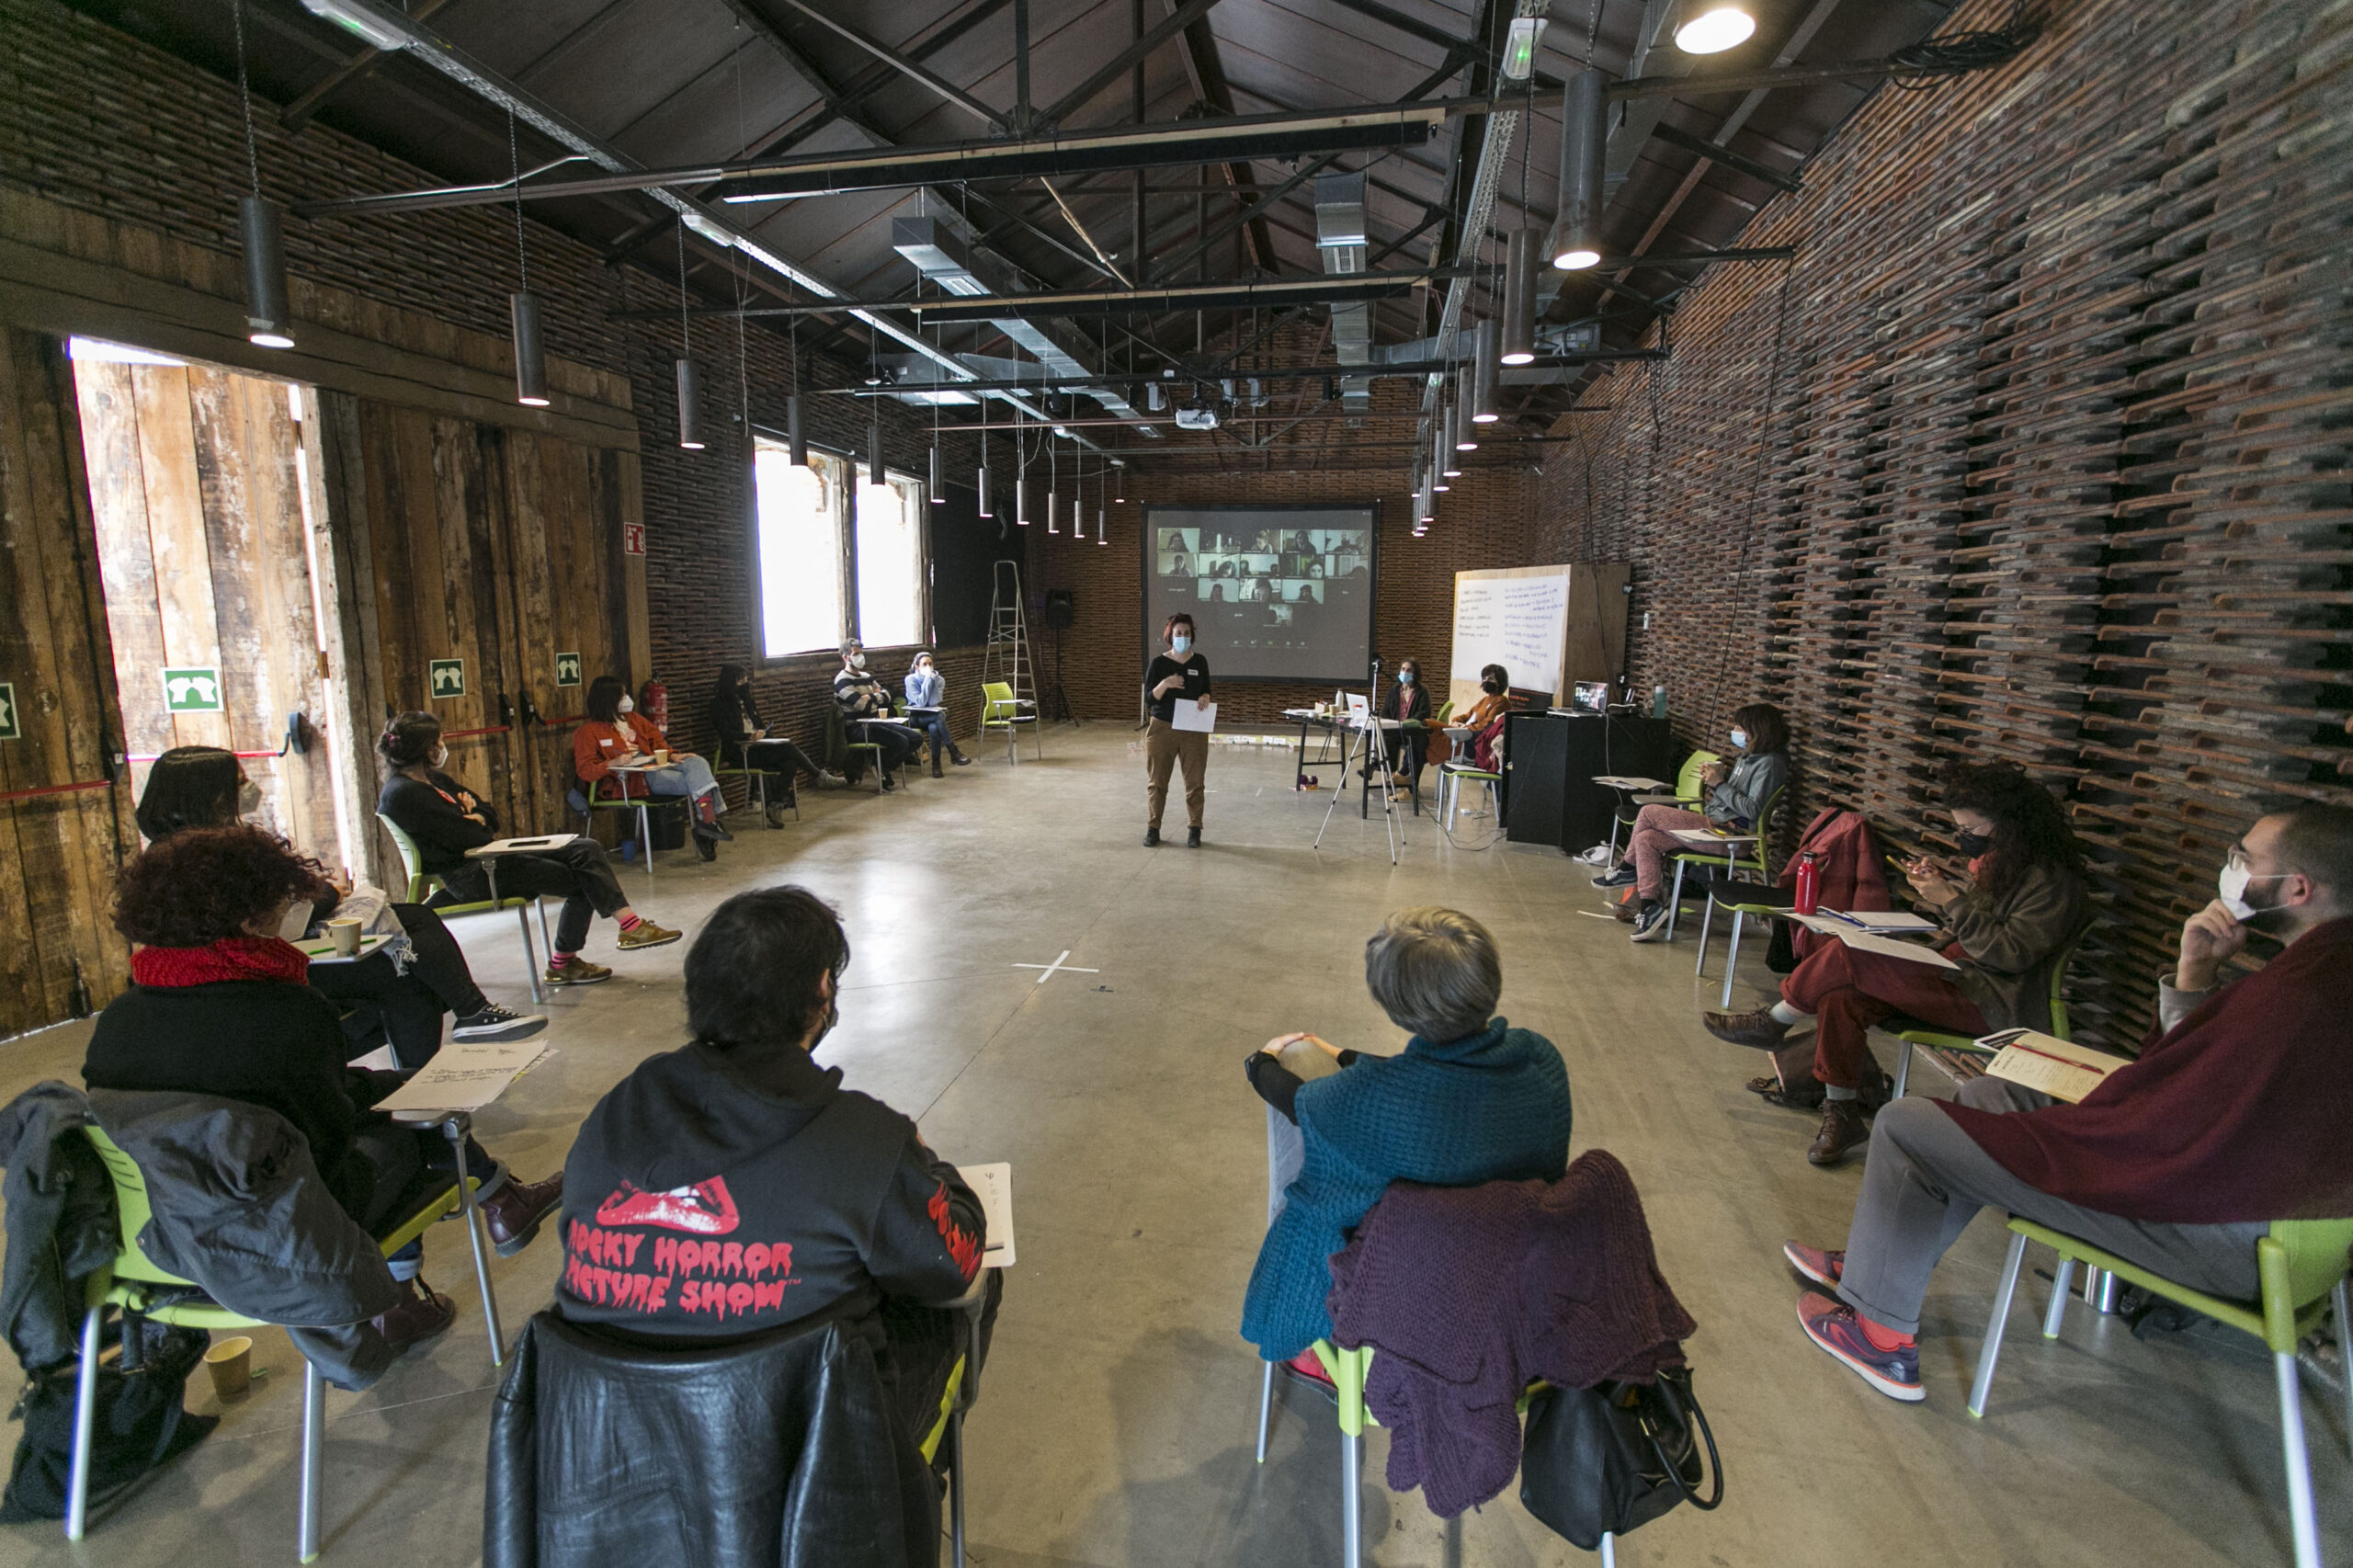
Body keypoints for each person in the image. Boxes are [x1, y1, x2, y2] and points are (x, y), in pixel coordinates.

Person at [1783, 802, 2353, 1404]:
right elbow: (2193, 1085)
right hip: (2272, 1229)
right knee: (1993, 1095)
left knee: (1905, 1124)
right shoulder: (2324, 969)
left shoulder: (2303, 994)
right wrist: (2194, 972)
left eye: (2246, 859)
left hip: (2225, 1237)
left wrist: (2099, 1124)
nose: (2231, 868)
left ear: (2296, 888)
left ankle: (1881, 1338)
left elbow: (2175, 1098)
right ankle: (1878, 1263)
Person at [82, 825, 567, 1351]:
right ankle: (415, 1282)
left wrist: (374, 1088)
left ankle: (495, 1204)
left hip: (165, 1229)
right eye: (279, 903)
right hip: (284, 1224)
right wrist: (387, 1099)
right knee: (422, 1123)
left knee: (397, 1089)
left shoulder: (120, 1018)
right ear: (248, 920)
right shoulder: (289, 1009)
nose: (289, 914)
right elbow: (330, 1139)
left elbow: (251, 1099)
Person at [551, 885, 997, 1449]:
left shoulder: (620, 1107)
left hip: (606, 1447)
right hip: (803, 1463)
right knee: (965, 1295)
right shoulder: (864, 1139)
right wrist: (929, 1164)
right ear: (821, 991)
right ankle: (898, 1509)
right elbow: (956, 1262)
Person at [1240, 908, 1573, 1383]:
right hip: (1519, 1297)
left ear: (1395, 1006)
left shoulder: (1367, 1104)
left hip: (1406, 1305)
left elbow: (1300, 1100)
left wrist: (1262, 1062)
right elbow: (1447, 1068)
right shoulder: (1541, 1061)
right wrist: (1345, 1054)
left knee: (1309, 1193)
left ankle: (1316, 1345)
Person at [1701, 761, 2090, 1166]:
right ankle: (1842, 1112)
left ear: (2010, 826)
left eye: (1970, 832)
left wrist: (1951, 900)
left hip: (1991, 1002)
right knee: (1841, 994)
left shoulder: (2052, 884)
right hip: (1957, 978)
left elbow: (2009, 954)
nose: (1963, 839)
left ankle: (1775, 1021)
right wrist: (1946, 890)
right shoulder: (2008, 866)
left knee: (1851, 952)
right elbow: (1978, 929)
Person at [135, 746, 542, 1063]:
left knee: (415, 937)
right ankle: (429, 1077)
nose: (250, 788)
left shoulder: (160, 855)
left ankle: (445, 1050)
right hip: (248, 973)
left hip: (229, 970)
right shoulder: (219, 853)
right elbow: (290, 909)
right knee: (411, 976)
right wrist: (327, 894)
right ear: (213, 796)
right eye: (239, 782)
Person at [379, 711, 680, 987]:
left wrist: (477, 814)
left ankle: (629, 926)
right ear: (427, 748)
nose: (444, 745)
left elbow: (487, 814)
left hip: (490, 855)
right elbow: (468, 836)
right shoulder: (405, 795)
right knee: (584, 881)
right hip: (472, 875)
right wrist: (473, 819)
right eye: (440, 740)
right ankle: (566, 963)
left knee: (584, 847)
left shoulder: (435, 781)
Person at [1598, 701, 1791, 944]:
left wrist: (1720, 784)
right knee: (1645, 838)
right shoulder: (1748, 759)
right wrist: (1720, 781)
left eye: (1740, 727)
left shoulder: (1771, 764)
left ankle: (1627, 868)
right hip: (1715, 825)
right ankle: (1650, 907)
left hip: (1732, 836)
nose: (1735, 731)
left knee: (1648, 812)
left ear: (1758, 730)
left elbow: (1752, 810)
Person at [576, 676, 732, 859]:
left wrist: (672, 754)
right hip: (636, 779)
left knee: (696, 762)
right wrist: (611, 763)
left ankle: (707, 824)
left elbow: (657, 741)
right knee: (699, 781)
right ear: (609, 699)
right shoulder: (587, 732)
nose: (627, 698)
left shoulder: (634, 719)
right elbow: (585, 770)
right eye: (622, 694)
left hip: (657, 764)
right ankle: (707, 822)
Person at [708, 663, 845, 826]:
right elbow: (725, 733)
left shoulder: (747, 701)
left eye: (746, 680)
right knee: (788, 749)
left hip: (759, 748)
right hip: (740, 752)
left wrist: (764, 734)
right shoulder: (718, 705)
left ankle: (775, 805)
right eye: (741, 681)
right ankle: (818, 776)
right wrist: (748, 736)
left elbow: (758, 723)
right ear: (731, 682)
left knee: (790, 763)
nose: (745, 684)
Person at [1143, 612, 1211, 848]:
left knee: (1195, 782)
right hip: (1163, 727)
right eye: (1178, 633)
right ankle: (1153, 828)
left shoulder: (1199, 661)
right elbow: (1149, 699)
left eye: (1186, 633)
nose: (1182, 637)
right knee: (1157, 782)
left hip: (1193, 728)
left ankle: (1195, 829)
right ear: (1170, 636)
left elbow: (1206, 690)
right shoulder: (1159, 663)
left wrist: (1205, 697)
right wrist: (1166, 683)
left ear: (1192, 635)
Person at [832, 639, 924, 792]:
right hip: (857, 727)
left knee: (916, 738)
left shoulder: (867, 676)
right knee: (901, 742)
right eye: (855, 654)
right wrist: (874, 697)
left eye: (861, 653)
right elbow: (862, 706)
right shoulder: (842, 680)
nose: (860, 657)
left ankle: (883, 766)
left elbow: (887, 696)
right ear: (845, 657)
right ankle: (881, 768)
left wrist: (871, 697)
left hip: (877, 721)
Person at [902, 651, 972, 778]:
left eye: (930, 663)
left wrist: (933, 681)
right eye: (924, 664)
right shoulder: (910, 679)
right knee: (939, 716)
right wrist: (928, 681)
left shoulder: (939, 680)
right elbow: (921, 703)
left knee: (935, 728)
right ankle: (953, 751)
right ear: (917, 667)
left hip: (931, 716)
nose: (928, 667)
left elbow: (934, 701)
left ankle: (936, 765)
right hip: (915, 717)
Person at [1373, 657, 1431, 801]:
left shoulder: (1422, 692)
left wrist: (1409, 722)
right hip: (1395, 729)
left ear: (1415, 673)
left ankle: (1411, 786)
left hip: (1412, 730)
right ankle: (1391, 776)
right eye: (1403, 669)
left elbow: (1424, 712)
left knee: (1418, 742)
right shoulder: (1394, 691)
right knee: (1385, 740)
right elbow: (1386, 712)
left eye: (1409, 670)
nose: (1405, 672)